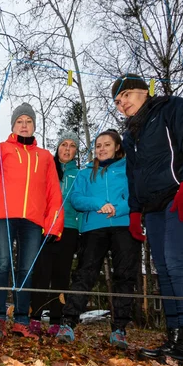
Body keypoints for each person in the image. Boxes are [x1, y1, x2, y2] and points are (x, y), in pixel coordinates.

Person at [111, 74, 183, 364]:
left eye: (127, 95)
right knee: (165, 270)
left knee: (179, 263)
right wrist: (134, 210)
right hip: (154, 207)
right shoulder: (131, 135)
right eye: (118, 102)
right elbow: (133, 176)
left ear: (144, 91)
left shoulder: (173, 108)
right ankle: (174, 337)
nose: (123, 104)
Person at [0, 103, 64, 338]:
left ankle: (21, 321)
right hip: (4, 216)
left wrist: (54, 224)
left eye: (28, 121)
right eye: (20, 122)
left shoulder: (45, 156)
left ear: (34, 126)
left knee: (26, 269)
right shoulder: (0, 149)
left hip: (33, 220)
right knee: (2, 264)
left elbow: (54, 193)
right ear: (13, 125)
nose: (24, 125)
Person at [62, 129, 141, 350]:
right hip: (93, 227)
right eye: (98, 146)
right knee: (85, 272)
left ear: (117, 147)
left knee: (124, 276)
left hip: (123, 225)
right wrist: (98, 205)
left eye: (107, 145)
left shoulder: (128, 169)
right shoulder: (85, 173)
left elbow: (136, 195)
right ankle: (68, 322)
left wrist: (119, 208)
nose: (102, 149)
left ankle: (119, 329)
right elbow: (76, 198)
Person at [30, 131, 81, 343]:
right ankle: (34, 317)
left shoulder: (80, 173)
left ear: (76, 151)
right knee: (41, 272)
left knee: (60, 275)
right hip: (46, 228)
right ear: (57, 148)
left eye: (71, 146)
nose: (67, 149)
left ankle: (56, 320)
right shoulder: (48, 168)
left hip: (69, 228)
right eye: (63, 145)